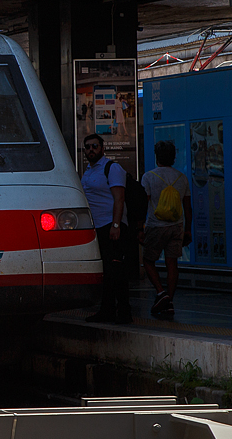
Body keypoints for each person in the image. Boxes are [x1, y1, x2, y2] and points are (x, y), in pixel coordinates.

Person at [81, 133, 131, 324]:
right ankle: (108, 310)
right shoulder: (88, 171)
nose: (90, 150)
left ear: (102, 148)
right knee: (107, 271)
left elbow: (119, 198)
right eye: (87, 147)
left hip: (111, 226)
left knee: (115, 270)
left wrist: (115, 225)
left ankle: (123, 312)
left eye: (94, 146)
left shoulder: (112, 168)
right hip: (97, 228)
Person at [139, 140, 192, 318]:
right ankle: (169, 301)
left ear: (157, 157)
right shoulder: (181, 177)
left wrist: (140, 227)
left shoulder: (149, 177)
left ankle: (161, 293)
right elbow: (187, 206)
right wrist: (188, 230)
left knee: (148, 260)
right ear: (174, 157)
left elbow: (144, 203)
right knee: (172, 263)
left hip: (156, 225)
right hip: (177, 226)